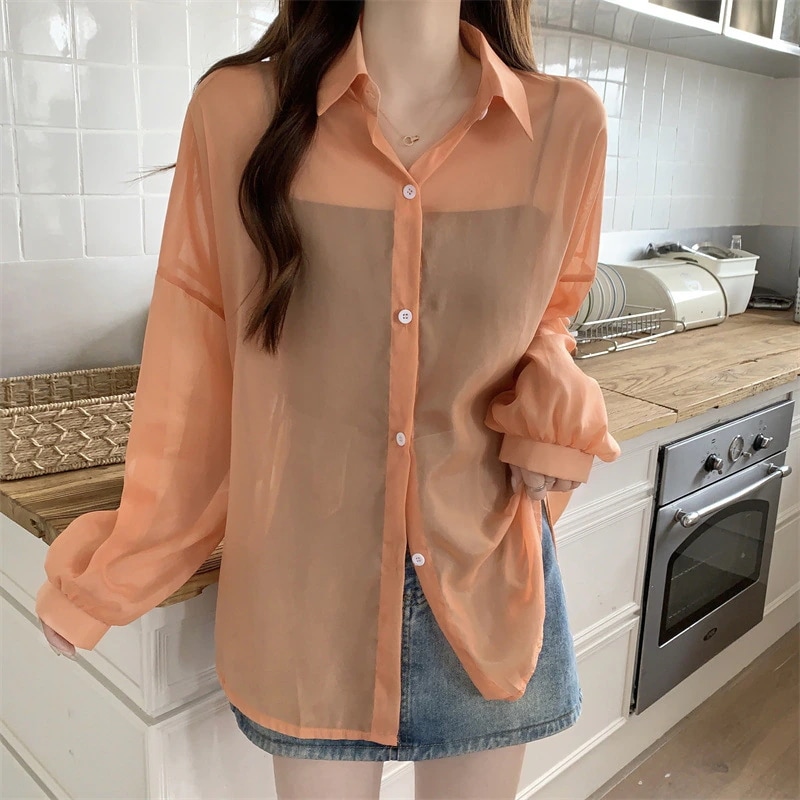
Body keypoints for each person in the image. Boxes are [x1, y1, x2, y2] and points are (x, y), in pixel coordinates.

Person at [37, 0, 622, 797]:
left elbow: (549, 314)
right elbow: (194, 373)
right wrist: (111, 578)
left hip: (489, 591)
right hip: (307, 611)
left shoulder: (567, 127)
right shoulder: (238, 112)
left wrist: (553, 397)